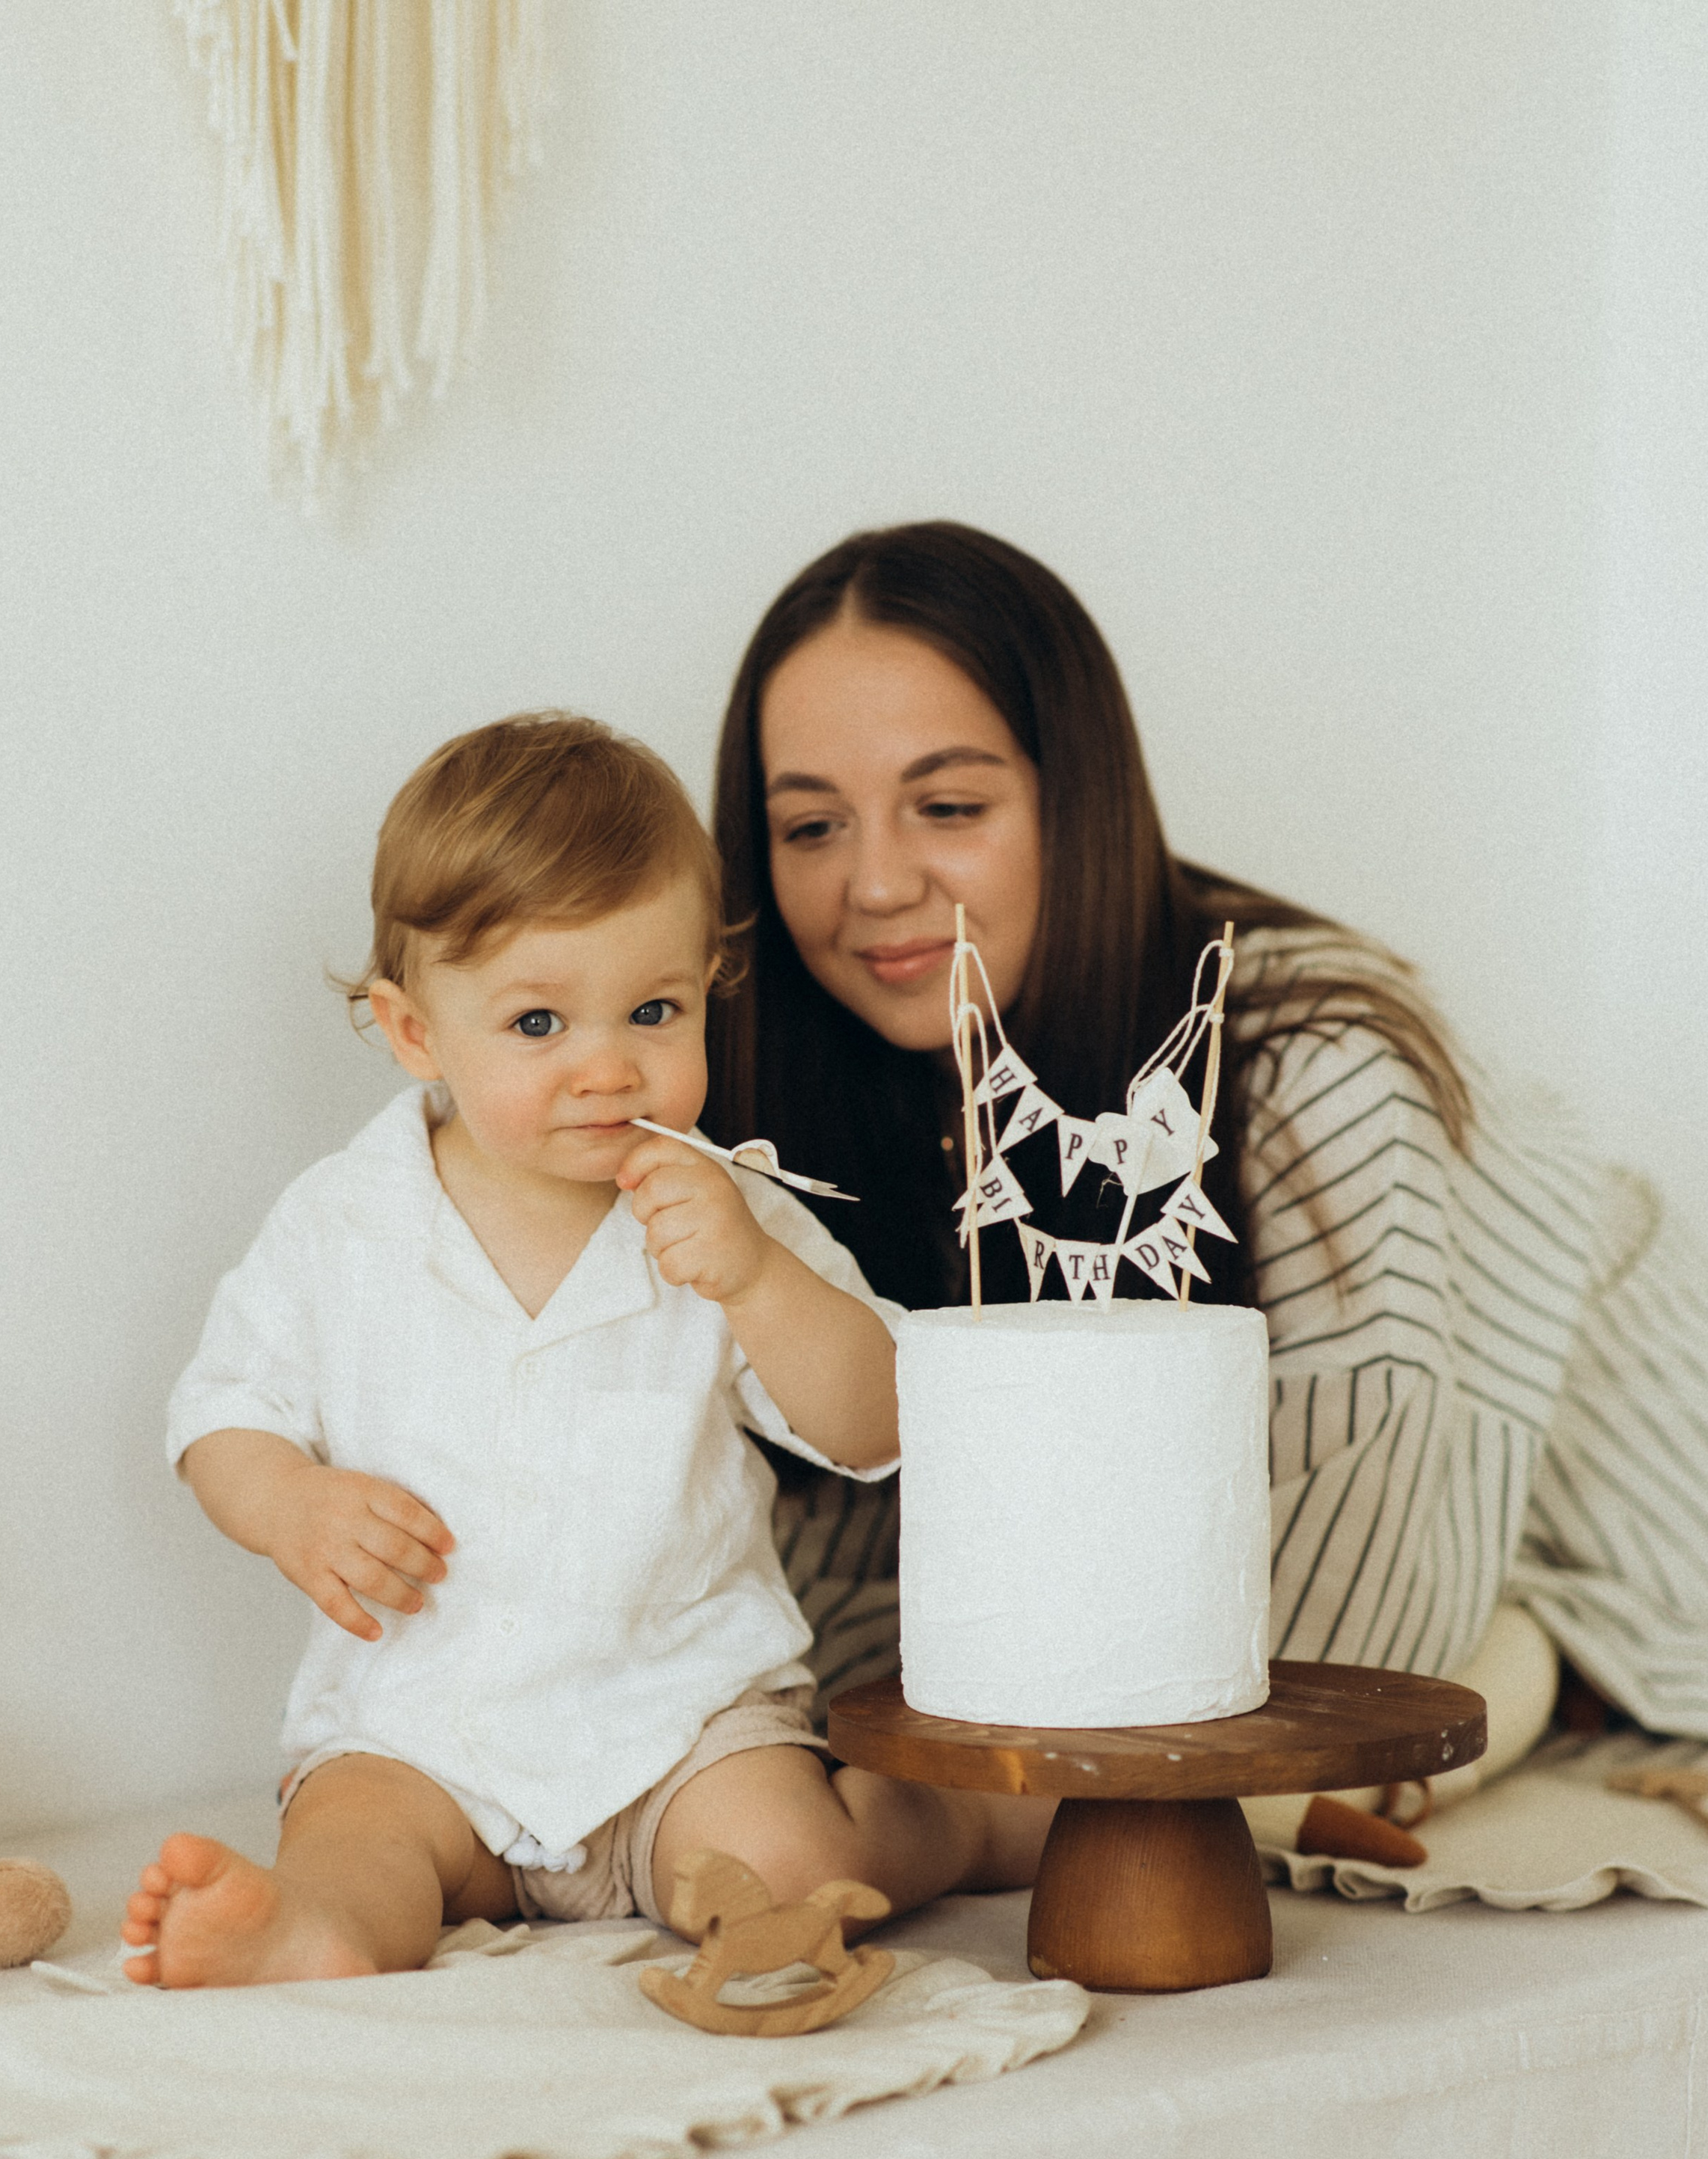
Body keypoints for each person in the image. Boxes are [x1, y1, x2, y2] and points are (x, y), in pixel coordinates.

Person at [702, 521, 1708, 1826]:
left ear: (1080, 795)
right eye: (810, 826)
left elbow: (1375, 1603)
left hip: (1606, 1478)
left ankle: (1550, 1654)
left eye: (949, 808)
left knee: (1261, 1772)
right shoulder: (816, 1083)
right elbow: (827, 1554)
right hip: (1294, 1542)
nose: (877, 882)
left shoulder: (1319, 1057)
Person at [124, 713, 1036, 1988]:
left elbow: (876, 1420)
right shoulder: (345, 1222)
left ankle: (946, 1821)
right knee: (360, 1842)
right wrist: (290, 1500)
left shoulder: (729, 1211)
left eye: (653, 1010)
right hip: (424, 1728)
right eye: (539, 1024)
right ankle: (306, 1929)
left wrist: (760, 1280)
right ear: (413, 1033)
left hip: (680, 1725)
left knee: (788, 1860)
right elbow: (219, 1414)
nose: (608, 1066)